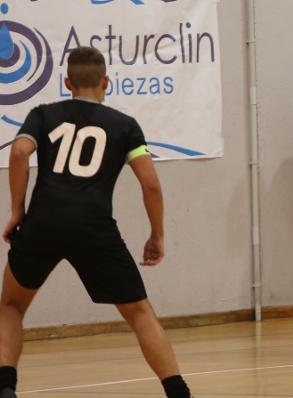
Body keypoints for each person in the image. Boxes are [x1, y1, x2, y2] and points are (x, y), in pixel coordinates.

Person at [0, 47, 192, 398]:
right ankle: (178, 392)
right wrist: (157, 234)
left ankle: (6, 387)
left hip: (43, 223)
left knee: (11, 305)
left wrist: (17, 211)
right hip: (95, 229)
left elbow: (18, 152)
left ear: (67, 82)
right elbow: (150, 183)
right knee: (138, 312)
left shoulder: (42, 115)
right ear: (106, 82)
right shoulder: (125, 126)